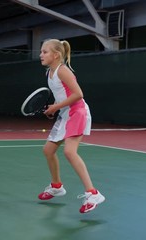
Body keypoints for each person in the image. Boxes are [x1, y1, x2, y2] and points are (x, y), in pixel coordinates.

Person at [38, 39, 105, 213]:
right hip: (65, 113)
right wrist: (54, 107)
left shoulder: (63, 71)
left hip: (78, 112)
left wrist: (56, 107)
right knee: (48, 150)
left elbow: (78, 94)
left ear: (56, 55)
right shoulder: (49, 73)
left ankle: (93, 193)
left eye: (45, 52)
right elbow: (62, 95)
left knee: (69, 151)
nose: (41, 55)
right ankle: (57, 186)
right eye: (41, 51)